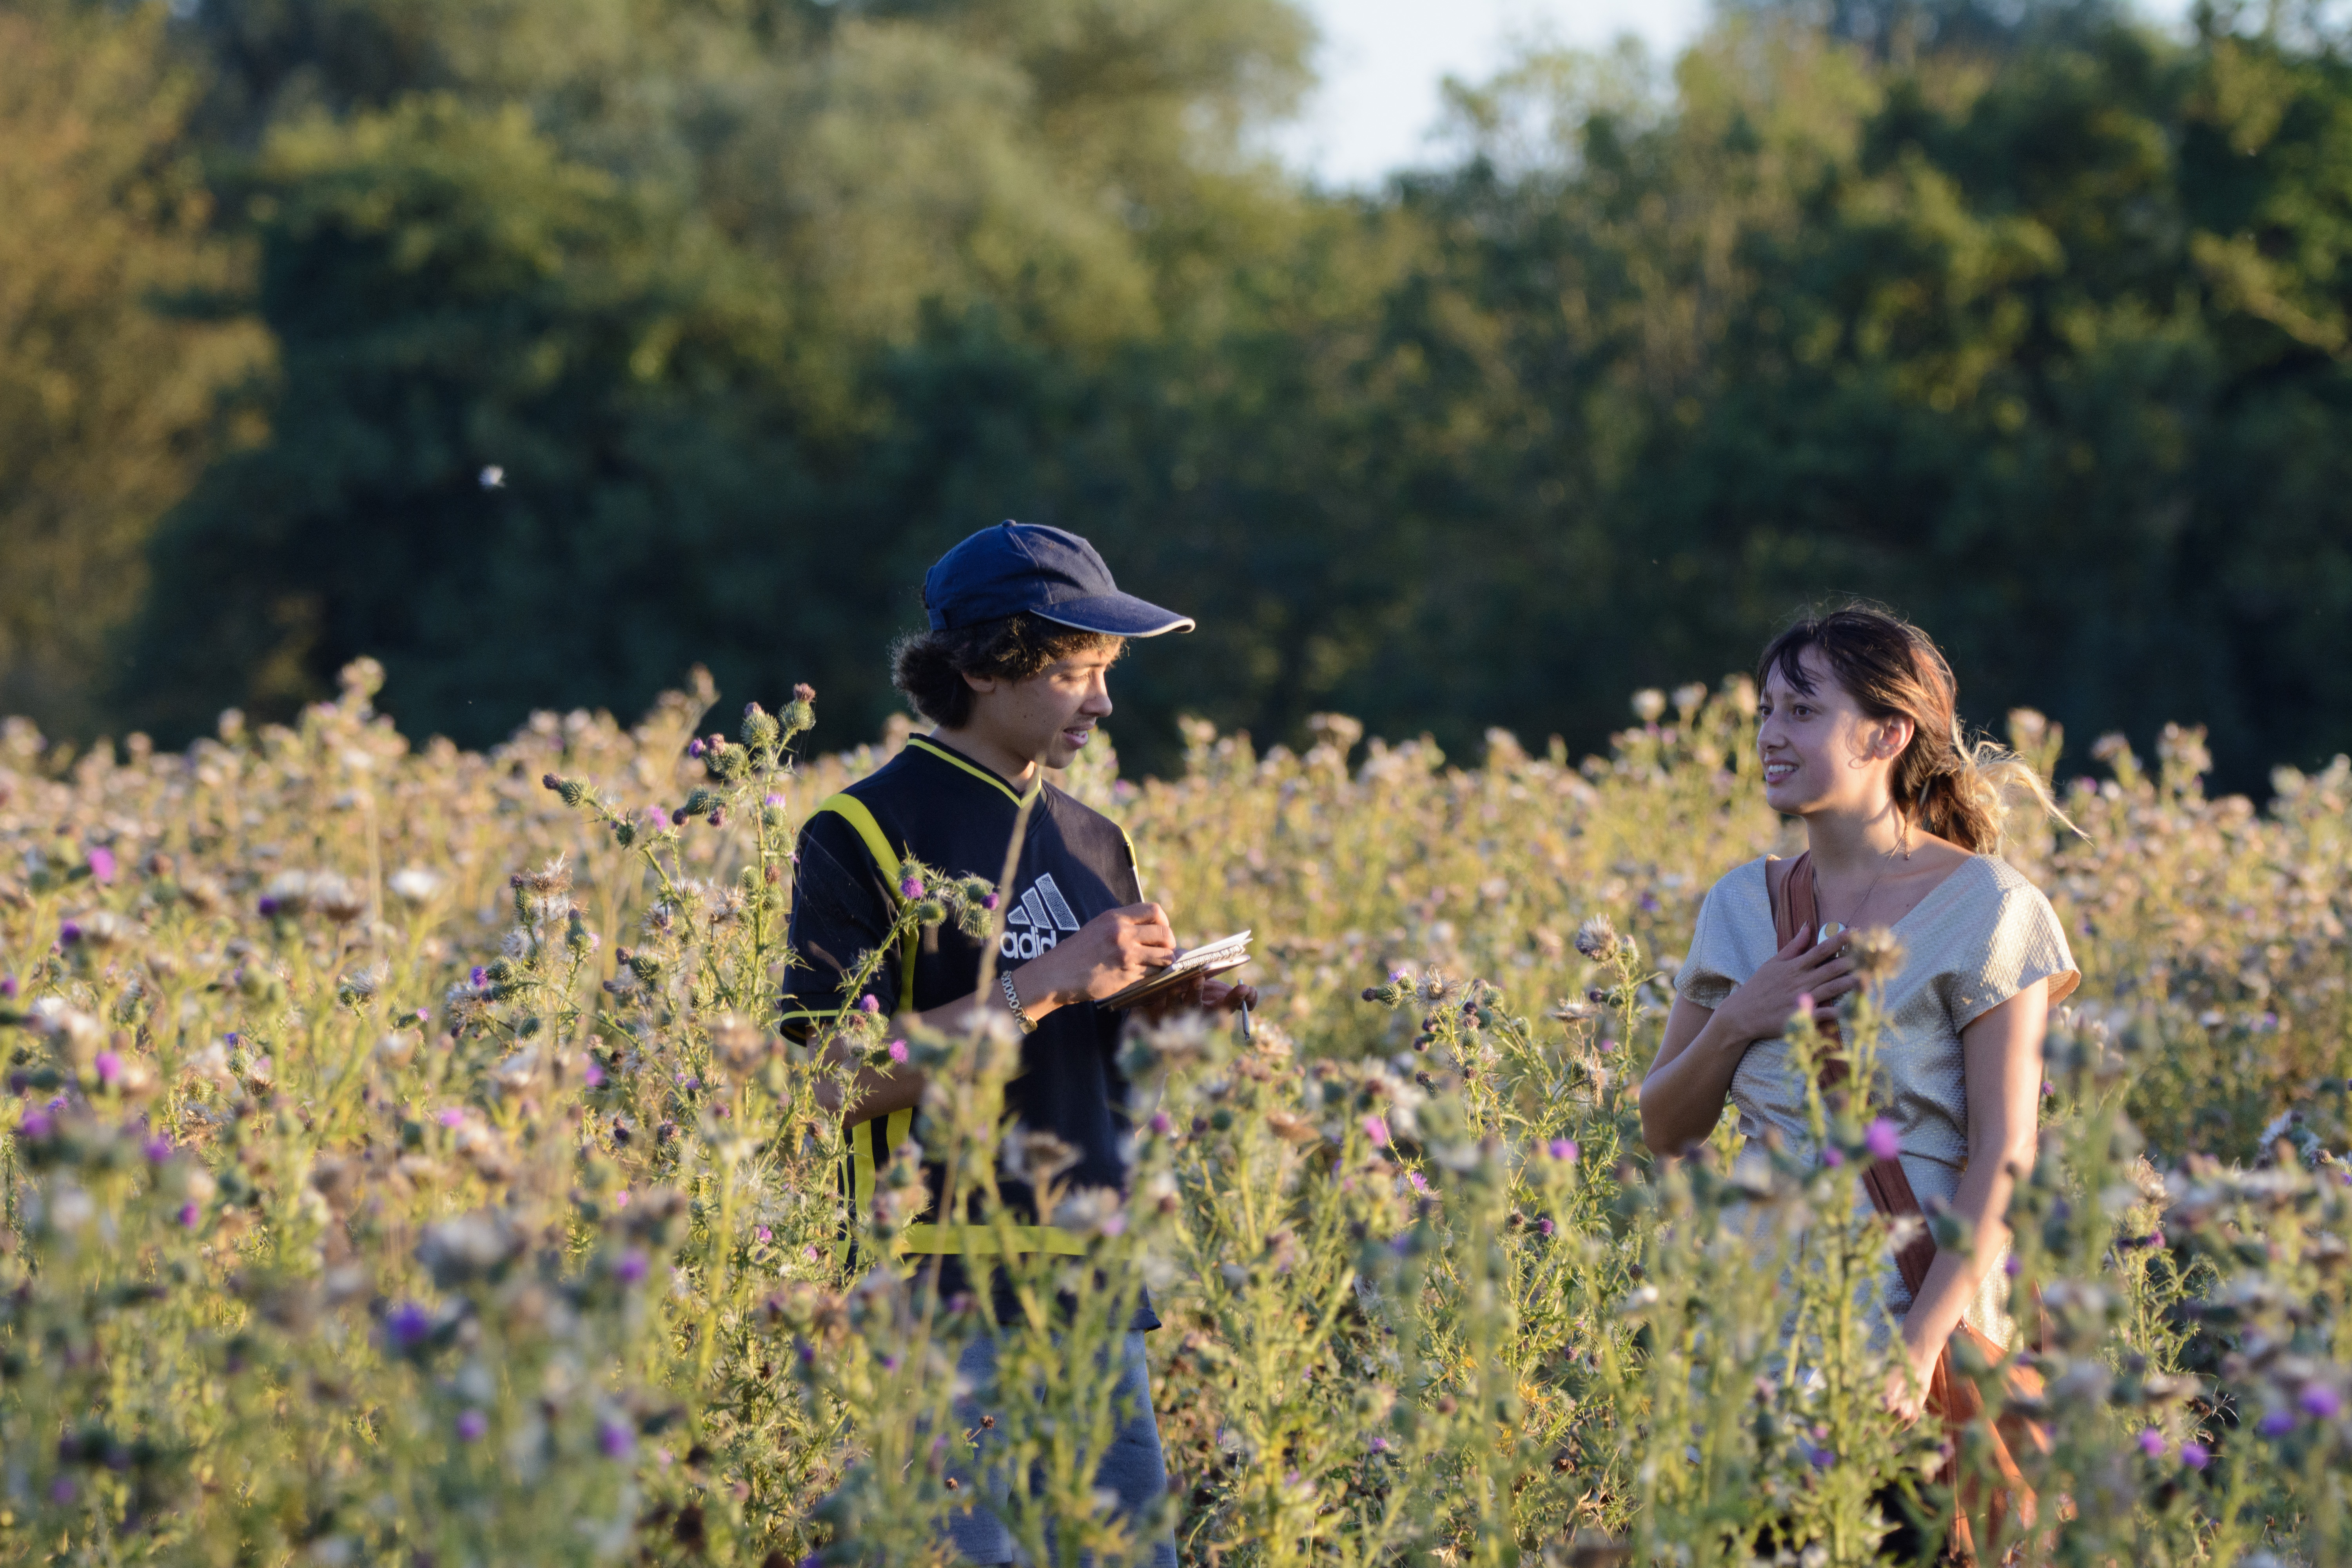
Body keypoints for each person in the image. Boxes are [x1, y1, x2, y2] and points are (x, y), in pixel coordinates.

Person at [779, 519, 1252, 1568]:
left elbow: (1096, 1053)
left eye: (1106, 671)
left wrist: (1172, 1022)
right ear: (991, 666)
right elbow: (830, 1080)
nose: (1104, 702)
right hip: (940, 1295)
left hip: (1094, 1292)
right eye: (1079, 671)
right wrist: (1043, 984)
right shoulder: (859, 833)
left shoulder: (1096, 838)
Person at [1639, 606, 2078, 1524]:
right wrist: (1738, 1021)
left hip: (1908, 1307)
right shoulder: (1738, 903)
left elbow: (2005, 1154)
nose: (1769, 735)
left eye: (1801, 710)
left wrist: (1920, 1345)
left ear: (1888, 731)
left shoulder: (1992, 907)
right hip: (1755, 1316)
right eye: (1764, 710)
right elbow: (1665, 1125)